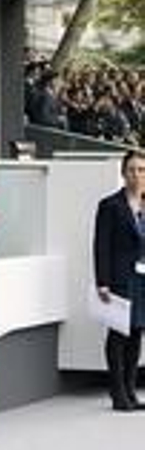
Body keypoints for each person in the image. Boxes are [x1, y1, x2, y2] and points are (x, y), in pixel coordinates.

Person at [92, 150, 145, 411]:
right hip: (120, 279)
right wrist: (102, 281)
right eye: (132, 170)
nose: (137, 175)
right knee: (118, 336)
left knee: (137, 335)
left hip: (142, 281)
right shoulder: (110, 205)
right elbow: (101, 246)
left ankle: (131, 391)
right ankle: (118, 393)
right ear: (123, 173)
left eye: (142, 170)